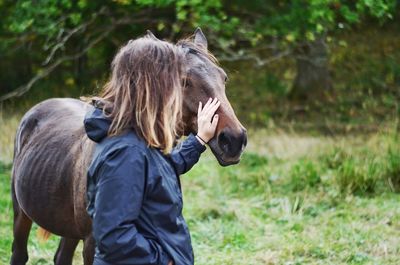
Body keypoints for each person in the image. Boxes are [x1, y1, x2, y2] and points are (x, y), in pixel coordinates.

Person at [83, 36, 220, 265]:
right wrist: (163, 260)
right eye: (176, 83)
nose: (178, 92)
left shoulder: (139, 139)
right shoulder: (126, 153)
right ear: (154, 87)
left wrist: (198, 141)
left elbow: (159, 170)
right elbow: (113, 237)